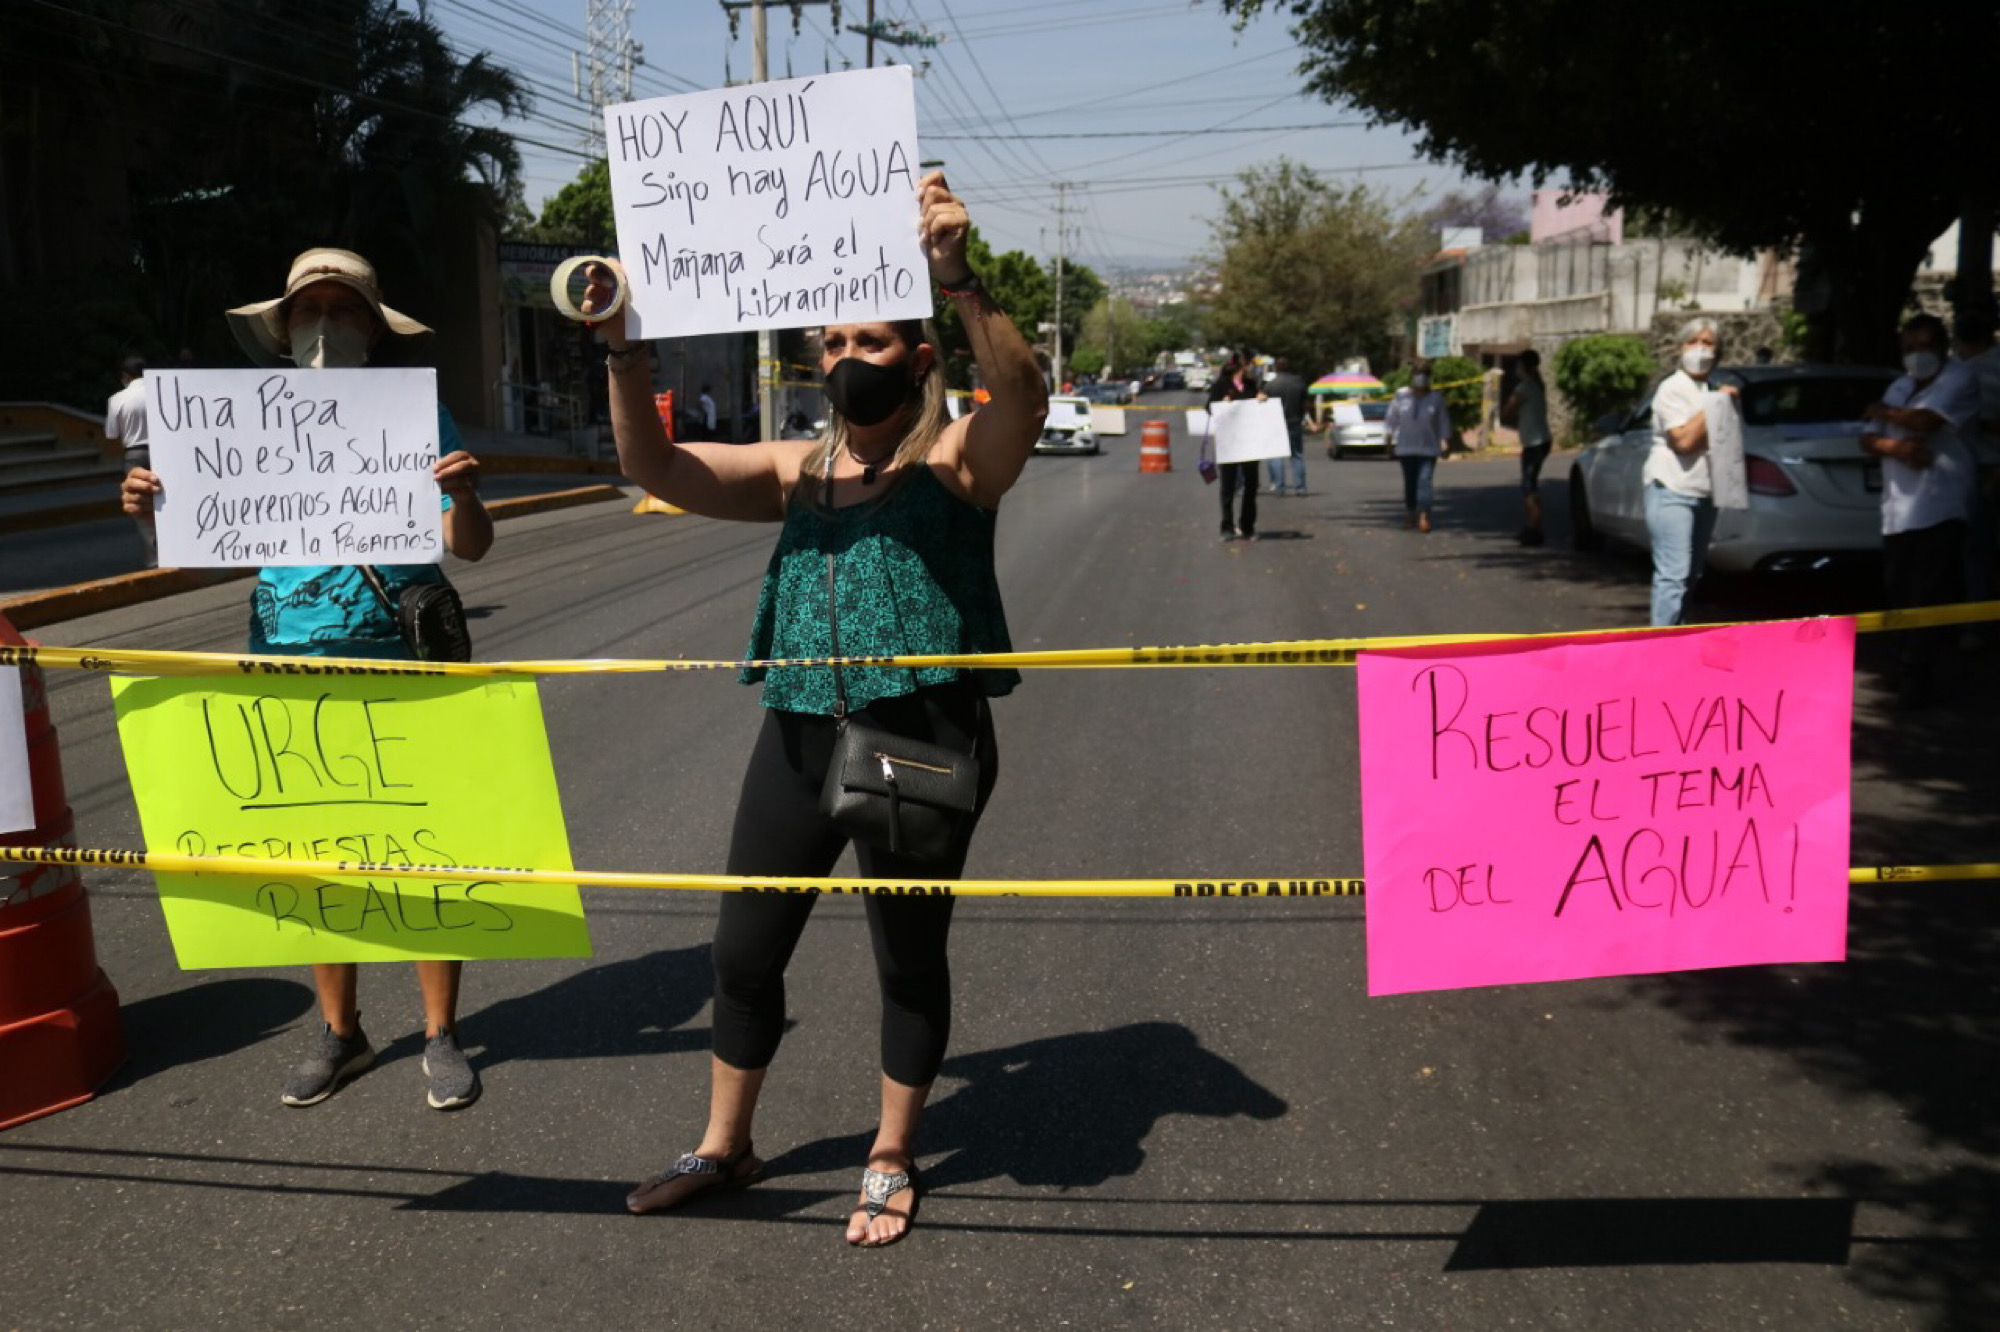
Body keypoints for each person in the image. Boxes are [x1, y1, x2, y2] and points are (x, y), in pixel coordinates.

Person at [587, 173, 1046, 1247]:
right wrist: (621, 347)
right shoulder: (795, 470)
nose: (848, 358)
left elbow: (1019, 399)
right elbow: (649, 462)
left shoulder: (952, 464)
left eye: (873, 341)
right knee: (742, 953)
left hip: (917, 742)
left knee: (906, 954)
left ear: (919, 356)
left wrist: (956, 278)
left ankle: (889, 1156)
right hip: (797, 733)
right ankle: (723, 1145)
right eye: (832, 340)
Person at [121, 248, 494, 1109]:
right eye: (308, 310)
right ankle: (342, 1032)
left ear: (371, 328)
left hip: (408, 659)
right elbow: (198, 559)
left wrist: (466, 496)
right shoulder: (233, 427)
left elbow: (467, 545)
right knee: (317, 851)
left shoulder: (418, 417)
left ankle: (442, 1031)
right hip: (286, 661)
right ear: (284, 331)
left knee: (425, 849)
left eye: (343, 309)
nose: (325, 324)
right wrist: (153, 512)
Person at [1862, 314, 1979, 706]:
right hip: (1898, 508)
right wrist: (1896, 448)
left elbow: (1926, 421)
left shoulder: (1959, 379)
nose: (1916, 356)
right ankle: (1903, 664)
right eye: (1909, 349)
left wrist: (1885, 415)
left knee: (1928, 591)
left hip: (1940, 504)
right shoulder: (1900, 385)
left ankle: (1917, 673)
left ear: (1942, 347)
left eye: (1924, 347)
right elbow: (1867, 437)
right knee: (1898, 591)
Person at [1640, 319, 1735, 627]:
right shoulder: (1673, 388)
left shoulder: (1710, 388)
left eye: (1708, 343)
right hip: (1672, 488)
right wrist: (1717, 404)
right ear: (1680, 348)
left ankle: (1677, 636)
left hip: (1704, 491)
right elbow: (1682, 441)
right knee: (1674, 575)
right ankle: (1660, 646)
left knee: (1692, 574)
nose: (1701, 349)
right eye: (1694, 342)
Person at [1950, 306, 2000, 649]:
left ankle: (1976, 629)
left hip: (1987, 469)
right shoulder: (1958, 368)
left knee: (1979, 551)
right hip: (1967, 469)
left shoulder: (1969, 371)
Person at [1384, 359, 1451, 533]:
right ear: (1412, 376)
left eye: (1424, 374)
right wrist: (1388, 441)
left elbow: (1443, 422)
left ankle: (1424, 515)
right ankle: (1410, 512)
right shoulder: (1401, 395)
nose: (1420, 378)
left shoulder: (1436, 398)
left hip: (1428, 448)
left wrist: (1445, 442)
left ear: (1429, 377)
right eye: (1417, 374)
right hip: (1406, 448)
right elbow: (1392, 419)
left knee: (1425, 481)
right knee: (1410, 482)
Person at [104, 355, 155, 568]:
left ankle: (155, 559)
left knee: (141, 507)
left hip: (134, 454)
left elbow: (111, 434)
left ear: (125, 376)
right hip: (164, 451)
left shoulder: (117, 399)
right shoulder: (160, 392)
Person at [1502, 349, 1554, 546]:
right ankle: (1535, 526)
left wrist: (1509, 412)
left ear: (1524, 366)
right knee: (1531, 484)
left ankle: (1534, 528)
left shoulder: (1525, 387)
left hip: (1535, 443)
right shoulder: (1537, 385)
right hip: (1540, 440)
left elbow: (1508, 410)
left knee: (1528, 486)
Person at [1208, 353, 1260, 540]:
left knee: (1251, 485)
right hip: (1229, 441)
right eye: (1249, 365)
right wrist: (1222, 403)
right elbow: (1209, 407)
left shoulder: (1252, 385)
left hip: (1250, 442)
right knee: (1228, 485)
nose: (1251, 368)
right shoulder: (1221, 385)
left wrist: (1261, 398)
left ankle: (1247, 526)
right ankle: (1227, 526)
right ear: (1241, 366)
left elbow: (1258, 406)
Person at [1262, 356, 1308, 497]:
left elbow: (1263, 404)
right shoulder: (1299, 383)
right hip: (1294, 422)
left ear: (1276, 367)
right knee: (1297, 456)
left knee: (1276, 456)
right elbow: (1304, 404)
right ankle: (1300, 487)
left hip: (1276, 424)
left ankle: (1280, 487)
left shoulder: (1271, 385)